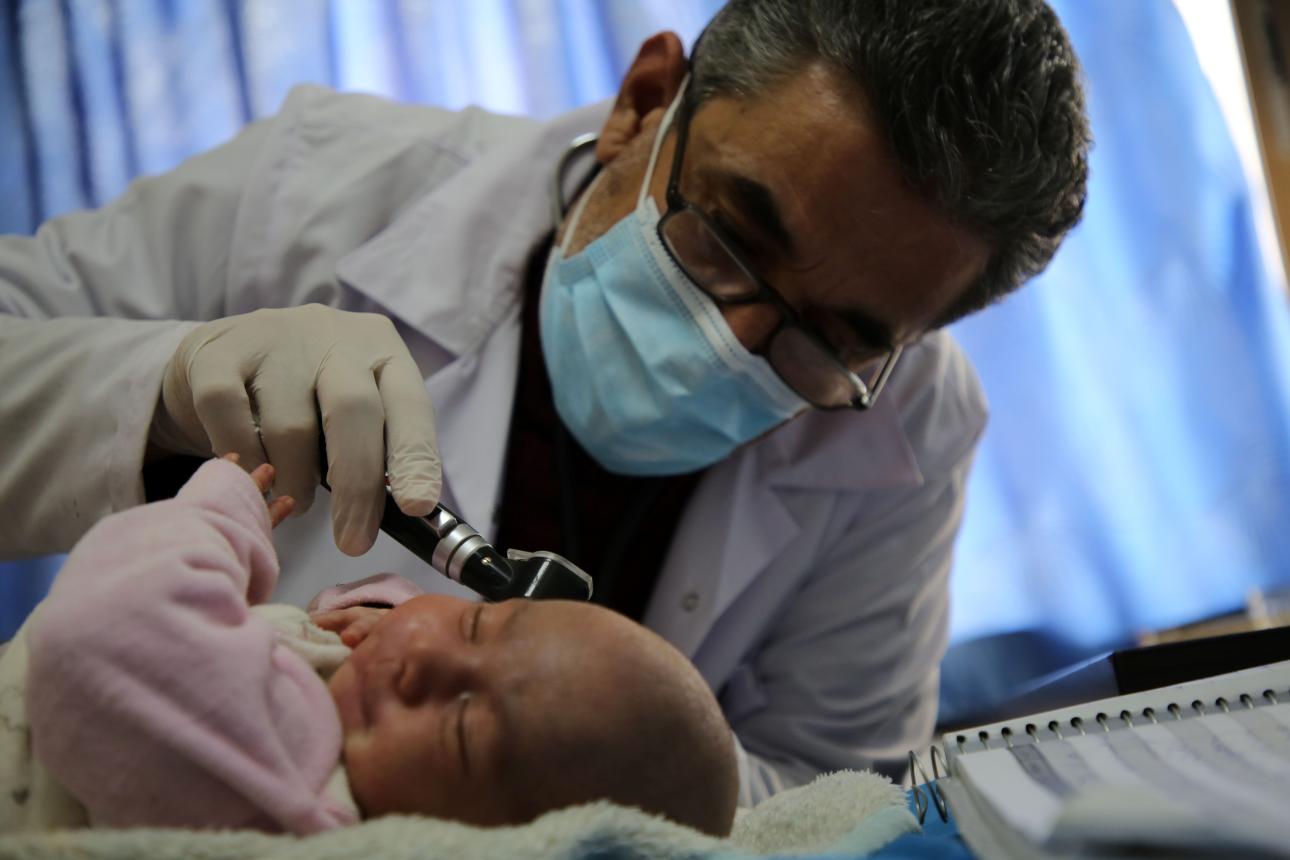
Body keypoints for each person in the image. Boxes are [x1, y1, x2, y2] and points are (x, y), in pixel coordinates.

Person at [0, 0, 1091, 802]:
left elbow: (832, 795)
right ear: (643, 104)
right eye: (727, 236)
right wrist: (168, 384)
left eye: (832, 339)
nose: (732, 344)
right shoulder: (322, 184)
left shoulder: (914, 423)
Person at [2, 456, 738, 836]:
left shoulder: (297, 781)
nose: (419, 655)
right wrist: (377, 616)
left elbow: (104, 634)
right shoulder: (355, 747)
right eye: (476, 624)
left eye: (461, 725)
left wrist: (219, 521)